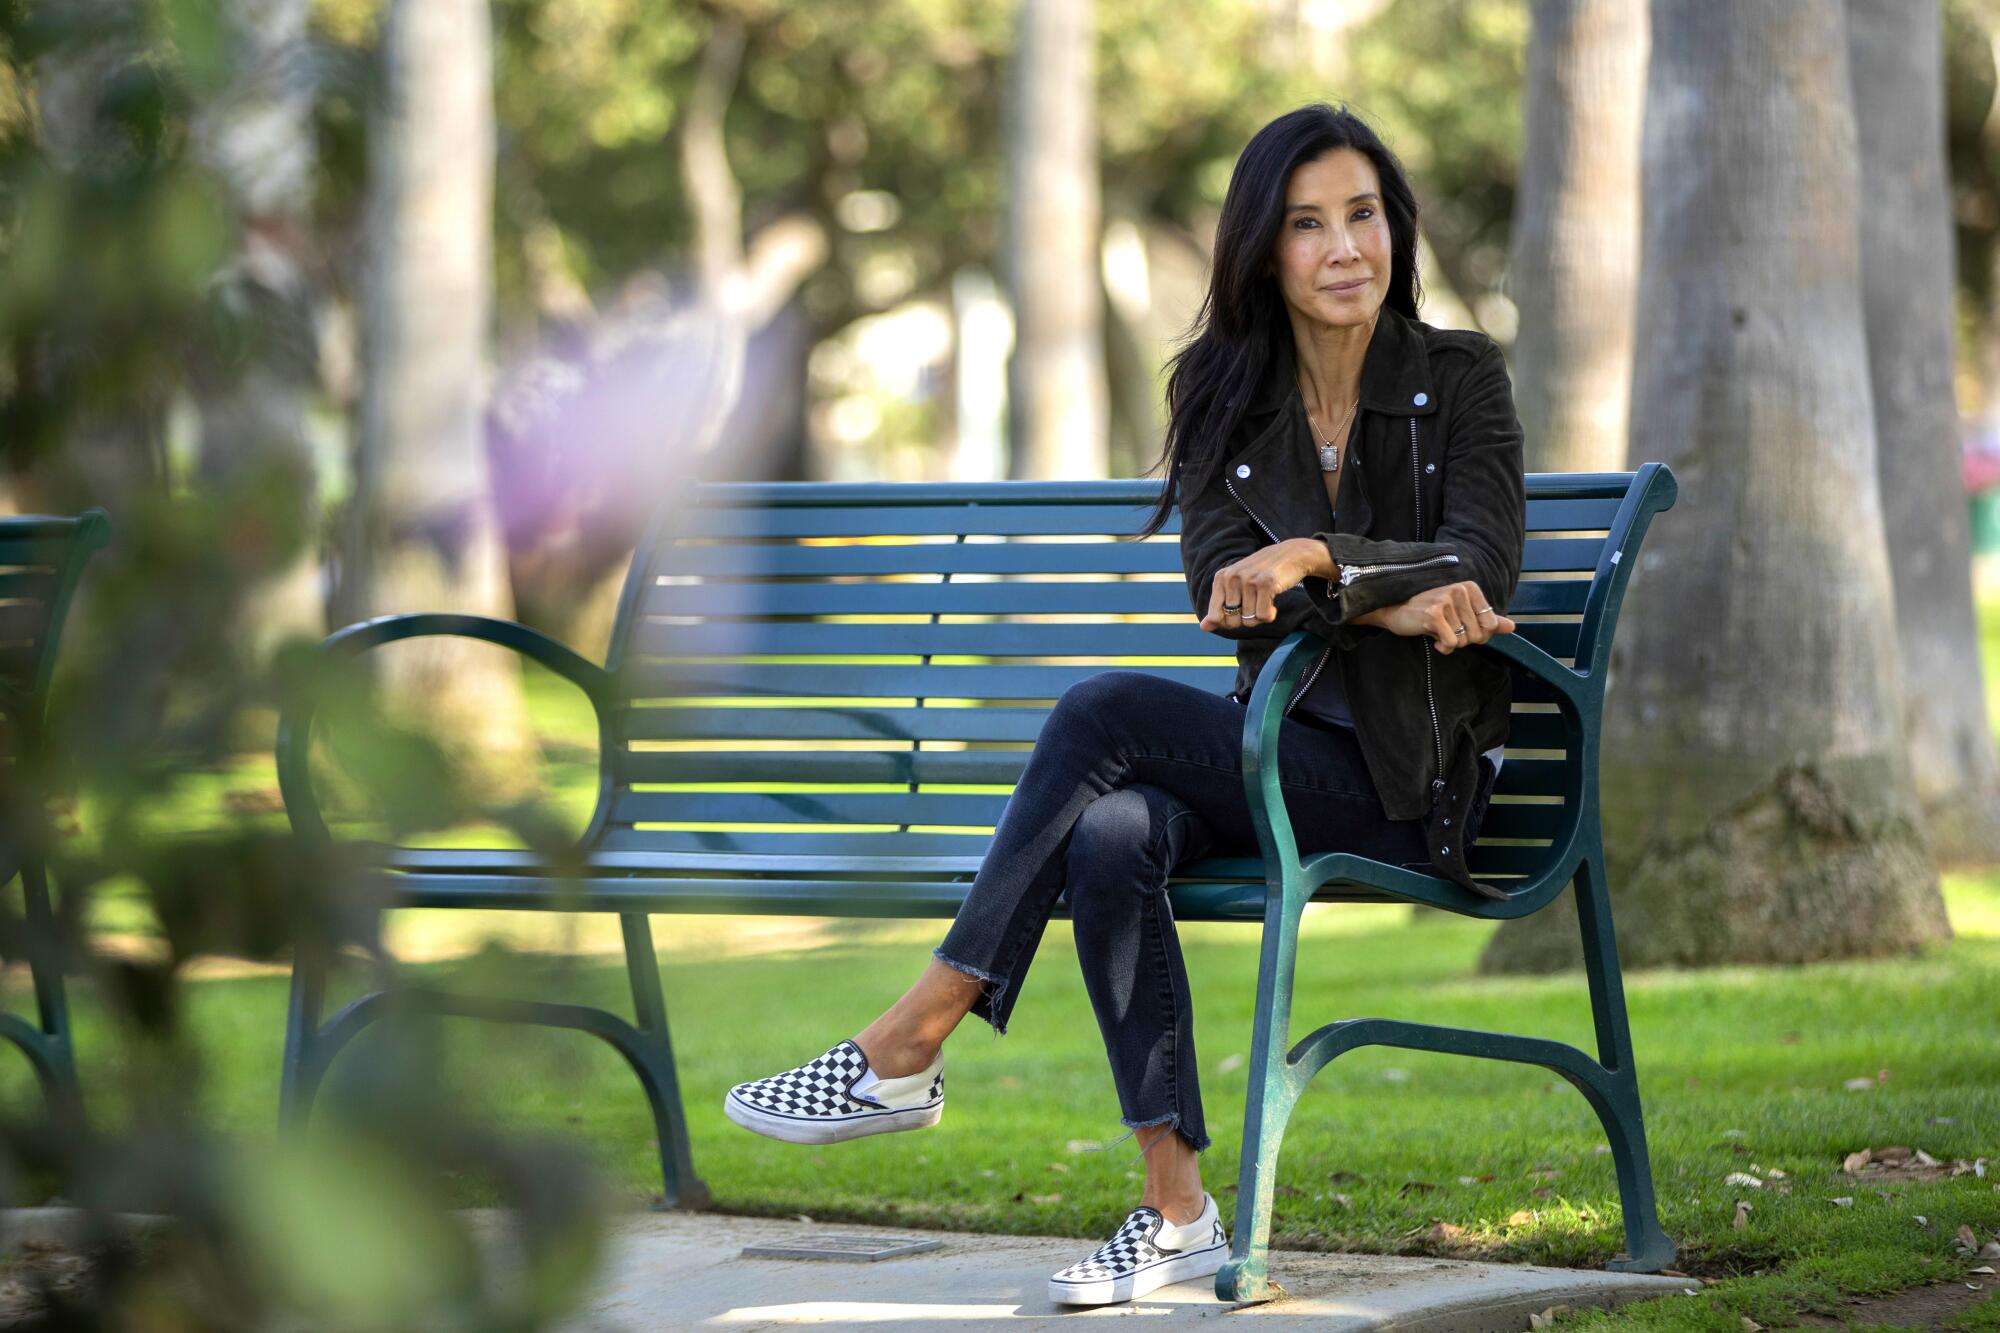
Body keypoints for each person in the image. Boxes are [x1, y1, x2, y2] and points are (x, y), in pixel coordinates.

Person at [723, 102, 1526, 1308]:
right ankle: (1177, 1214)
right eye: (1307, 225)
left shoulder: (1457, 376)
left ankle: (911, 1036)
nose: (1344, 247)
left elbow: (1475, 568)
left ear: (1395, 231)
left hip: (1404, 787)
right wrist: (1377, 594)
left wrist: (1314, 559)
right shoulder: (1218, 389)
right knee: (1108, 831)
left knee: (1100, 710)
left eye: (1363, 215)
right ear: (1263, 250)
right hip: (1270, 757)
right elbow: (1220, 589)